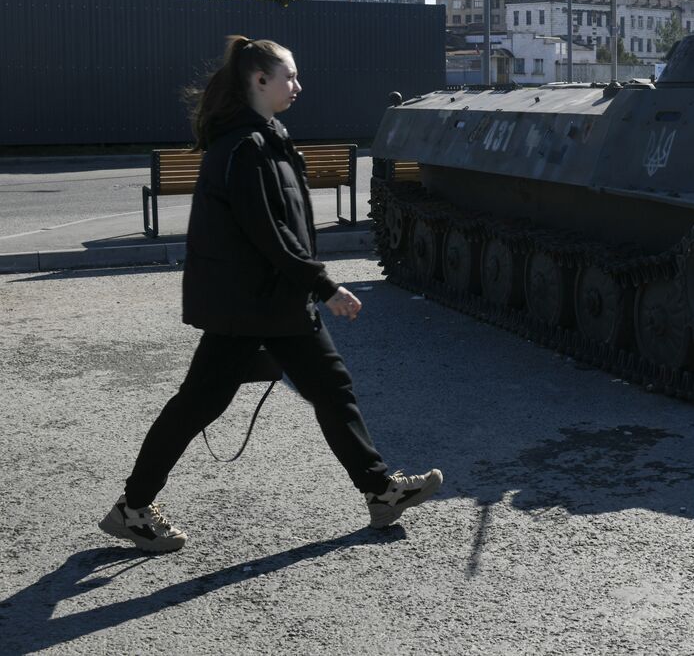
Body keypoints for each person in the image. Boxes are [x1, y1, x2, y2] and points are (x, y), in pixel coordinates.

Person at [100, 35, 441, 553]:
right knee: (198, 406)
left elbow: (281, 229)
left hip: (274, 302)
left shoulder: (264, 139)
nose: (297, 85)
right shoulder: (245, 147)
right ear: (259, 80)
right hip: (249, 306)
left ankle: (379, 491)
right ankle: (133, 507)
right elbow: (267, 232)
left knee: (332, 389)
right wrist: (325, 286)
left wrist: (307, 287)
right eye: (289, 76)